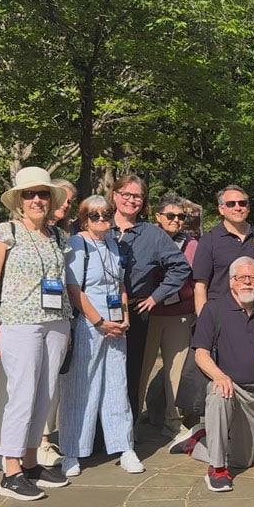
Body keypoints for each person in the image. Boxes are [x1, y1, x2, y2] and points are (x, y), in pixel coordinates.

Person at [0, 166, 73, 500]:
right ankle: (11, 468)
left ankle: (32, 460)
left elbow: (62, 285)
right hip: (19, 322)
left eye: (43, 194)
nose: (37, 200)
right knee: (21, 394)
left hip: (56, 322)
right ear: (19, 199)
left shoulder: (59, 237)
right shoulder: (4, 233)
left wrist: (68, 324)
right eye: (30, 194)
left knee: (45, 394)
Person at [58, 195, 141, 477]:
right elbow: (73, 288)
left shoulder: (113, 244)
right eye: (94, 215)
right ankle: (71, 451)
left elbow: (120, 284)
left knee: (117, 385)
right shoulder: (77, 244)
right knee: (81, 386)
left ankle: (124, 446)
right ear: (84, 218)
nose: (101, 218)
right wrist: (99, 321)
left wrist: (124, 317)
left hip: (116, 324)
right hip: (89, 322)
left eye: (106, 213)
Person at [191, 256, 254, 492]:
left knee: (243, 461)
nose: (246, 282)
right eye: (241, 277)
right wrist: (219, 376)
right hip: (230, 389)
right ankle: (216, 469)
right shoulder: (214, 309)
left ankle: (197, 442)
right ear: (231, 282)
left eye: (252, 277)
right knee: (218, 393)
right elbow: (200, 354)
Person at [107, 175, 191, 423]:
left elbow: (180, 267)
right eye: (126, 194)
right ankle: (97, 434)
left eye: (137, 196)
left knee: (132, 374)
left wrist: (155, 297)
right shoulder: (99, 226)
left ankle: (127, 431)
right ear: (114, 196)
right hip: (97, 314)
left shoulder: (152, 235)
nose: (131, 200)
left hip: (134, 313)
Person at [139, 194, 199, 437]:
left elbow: (197, 279)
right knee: (141, 371)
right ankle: (129, 423)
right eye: (171, 216)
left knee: (175, 370)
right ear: (158, 216)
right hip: (148, 314)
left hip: (180, 314)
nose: (176, 221)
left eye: (181, 217)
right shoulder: (145, 238)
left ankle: (172, 423)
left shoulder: (192, 244)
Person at [192, 184, 254, 316]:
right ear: (221, 209)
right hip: (221, 316)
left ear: (248, 208)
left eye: (242, 203)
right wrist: (204, 324)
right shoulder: (209, 240)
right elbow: (200, 287)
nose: (238, 208)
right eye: (231, 204)